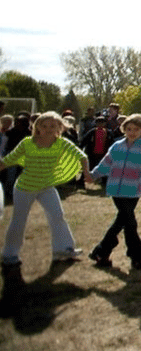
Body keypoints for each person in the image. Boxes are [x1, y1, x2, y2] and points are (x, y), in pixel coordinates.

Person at [0, 111, 92, 270]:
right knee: (18, 220)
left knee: (58, 216)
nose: (49, 128)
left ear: (59, 127)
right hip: (24, 188)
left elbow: (82, 156)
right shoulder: (27, 142)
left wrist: (87, 173)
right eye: (44, 126)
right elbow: (9, 160)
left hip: (46, 187)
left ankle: (63, 250)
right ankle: (9, 255)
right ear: (37, 127)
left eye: (53, 125)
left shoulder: (62, 143)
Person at [88, 114, 141, 270]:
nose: (132, 132)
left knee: (124, 223)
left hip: (133, 190)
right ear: (124, 129)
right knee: (128, 223)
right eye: (129, 129)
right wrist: (93, 175)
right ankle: (136, 258)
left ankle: (102, 252)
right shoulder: (117, 146)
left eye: (136, 129)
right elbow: (105, 164)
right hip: (116, 190)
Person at [80, 116, 112, 187]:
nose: (100, 124)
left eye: (102, 122)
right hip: (92, 153)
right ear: (96, 123)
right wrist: (80, 148)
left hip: (103, 154)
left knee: (104, 168)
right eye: (98, 122)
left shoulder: (108, 132)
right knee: (88, 167)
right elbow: (84, 140)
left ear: (105, 123)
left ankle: (104, 182)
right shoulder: (92, 131)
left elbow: (111, 143)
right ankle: (81, 182)